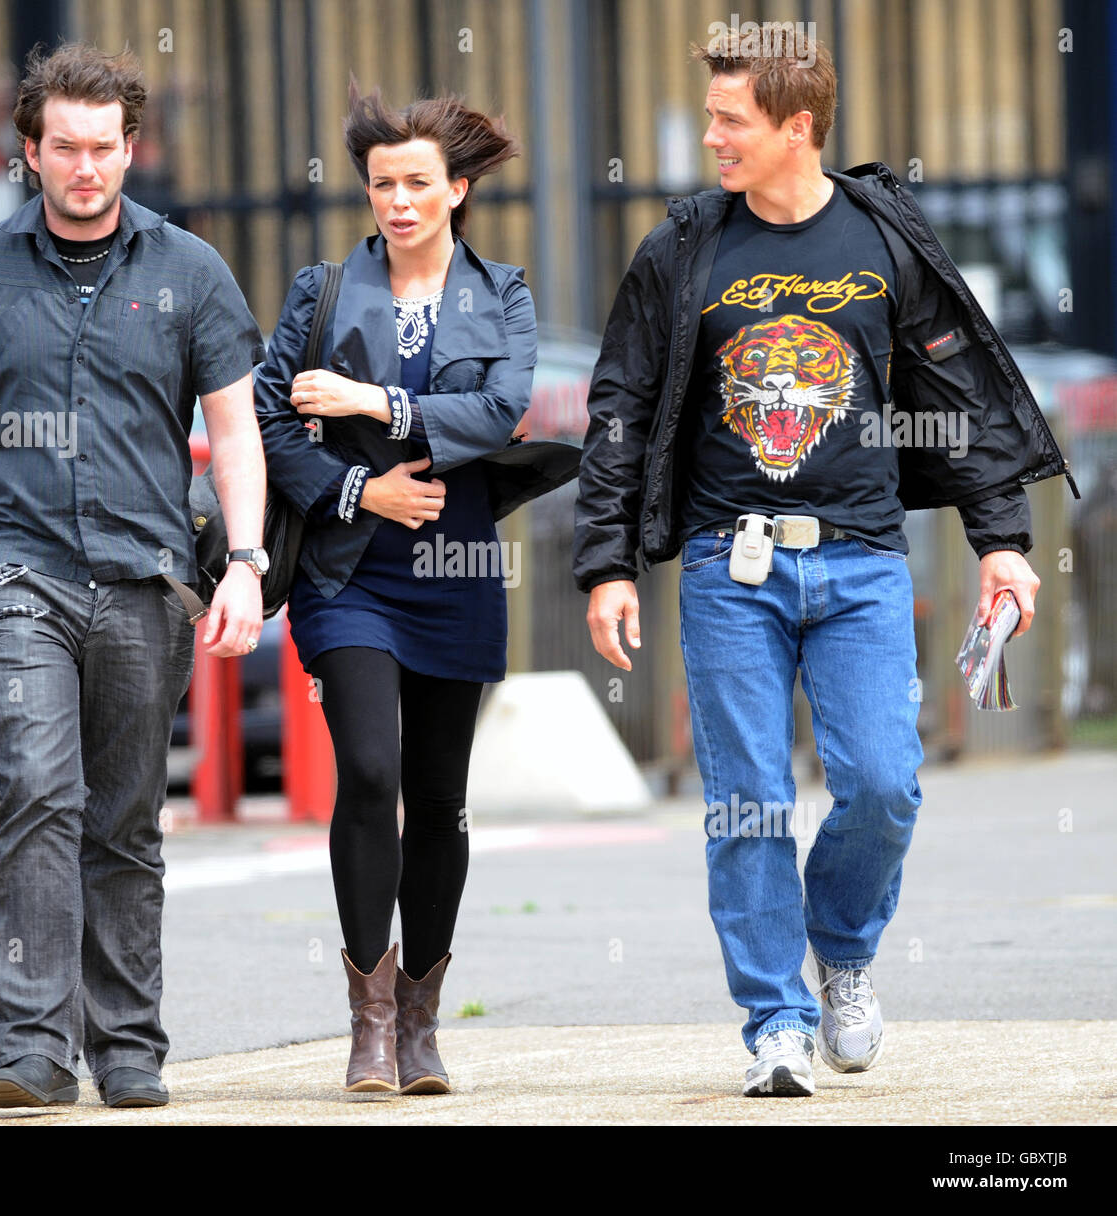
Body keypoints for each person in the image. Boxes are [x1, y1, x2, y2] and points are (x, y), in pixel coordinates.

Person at [573, 27, 1074, 1097]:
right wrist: (605, 561)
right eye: (708, 116)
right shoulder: (683, 249)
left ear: (796, 127)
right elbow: (617, 403)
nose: (710, 136)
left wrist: (1002, 544)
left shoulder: (882, 238)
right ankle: (774, 1022)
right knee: (748, 799)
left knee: (884, 785)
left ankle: (839, 949)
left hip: (859, 562)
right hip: (727, 567)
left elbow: (959, 398)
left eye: (729, 119)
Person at [0, 43, 268, 1109]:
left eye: (104, 148)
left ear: (130, 149)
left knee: (122, 822)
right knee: (38, 795)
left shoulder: (188, 270)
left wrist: (243, 562)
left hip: (146, 577)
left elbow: (234, 433)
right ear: (31, 151)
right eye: (64, 148)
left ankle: (127, 1047)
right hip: (19, 571)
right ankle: (28, 1045)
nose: (85, 168)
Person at [256, 84, 537, 1094]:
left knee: (442, 799)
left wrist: (374, 402)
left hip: (455, 569)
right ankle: (368, 1024)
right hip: (349, 570)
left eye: (419, 182)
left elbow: (501, 411)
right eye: (382, 184)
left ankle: (421, 1020)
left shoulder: (501, 293)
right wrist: (354, 487)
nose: (399, 200)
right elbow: (268, 419)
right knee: (371, 771)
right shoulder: (320, 292)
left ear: (457, 188)